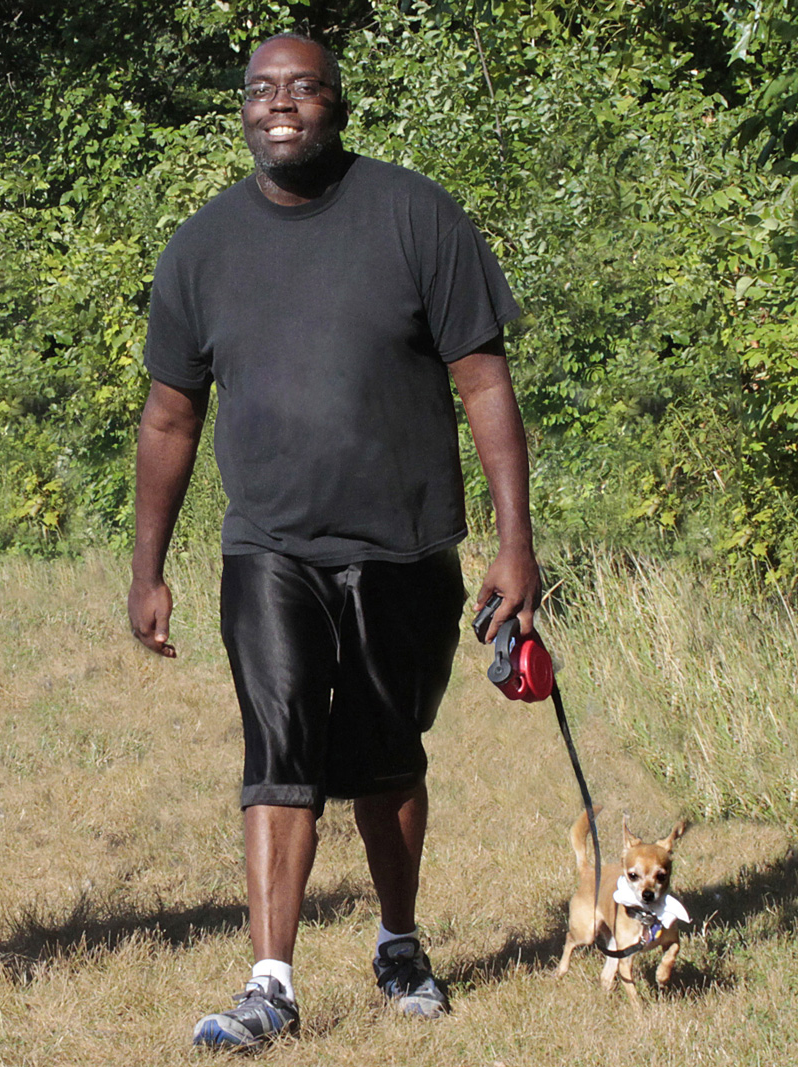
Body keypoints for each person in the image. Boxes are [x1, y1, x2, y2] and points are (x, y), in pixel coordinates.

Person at [127, 34, 540, 1049]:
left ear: (335, 105)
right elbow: (169, 419)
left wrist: (514, 542)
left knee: (387, 757)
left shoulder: (415, 216)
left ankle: (397, 941)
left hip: (402, 546)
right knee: (278, 745)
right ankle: (269, 982)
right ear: (242, 109)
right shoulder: (202, 246)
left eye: (302, 88)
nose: (281, 105)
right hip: (267, 543)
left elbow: (483, 381)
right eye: (262, 90)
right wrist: (145, 567)